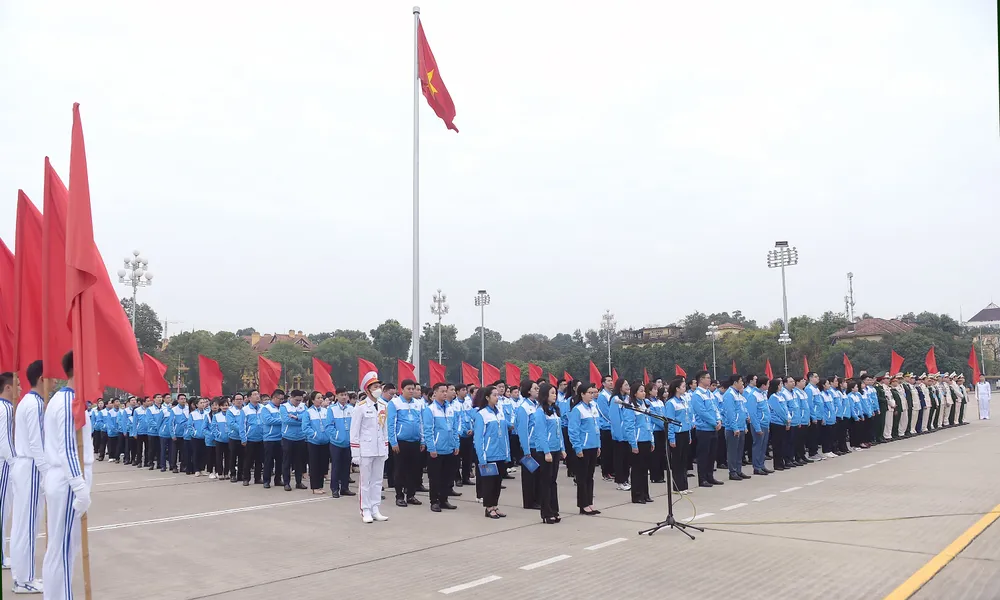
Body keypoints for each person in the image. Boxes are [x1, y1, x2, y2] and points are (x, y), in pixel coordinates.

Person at [41, 351, 93, 600]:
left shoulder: (71, 399)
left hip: (67, 479)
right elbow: (68, 448)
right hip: (67, 481)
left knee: (65, 549)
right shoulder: (66, 402)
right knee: (61, 549)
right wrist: (80, 487)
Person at [10, 361, 45, 593]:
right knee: (28, 525)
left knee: (22, 524)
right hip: (31, 465)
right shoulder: (35, 404)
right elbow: (36, 442)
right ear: (42, 379)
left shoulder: (27, 402)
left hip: (25, 465)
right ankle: (25, 580)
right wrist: (47, 471)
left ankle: (20, 575)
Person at [351, 371, 390, 523]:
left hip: (380, 448)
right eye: (375, 387)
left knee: (377, 481)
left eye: (379, 386)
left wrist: (386, 448)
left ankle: (375, 508)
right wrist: (355, 453)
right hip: (366, 449)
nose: (378, 389)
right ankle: (365, 510)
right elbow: (354, 431)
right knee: (365, 482)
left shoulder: (383, 405)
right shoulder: (360, 407)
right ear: (367, 390)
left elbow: (384, 429)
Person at [473, 385, 510, 519]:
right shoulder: (482, 414)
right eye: (494, 395)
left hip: (500, 453)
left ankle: (495, 505)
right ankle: (488, 507)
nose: (497, 397)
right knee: (489, 483)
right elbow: (478, 438)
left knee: (497, 483)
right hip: (489, 455)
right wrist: (482, 457)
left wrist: (507, 453)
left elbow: (505, 435)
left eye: (497, 395)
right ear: (487, 397)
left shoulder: (500, 412)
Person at [422, 383, 459, 512]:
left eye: (445, 391)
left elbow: (454, 428)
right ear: (435, 393)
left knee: (447, 477)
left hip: (449, 448)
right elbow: (428, 430)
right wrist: (432, 448)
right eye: (442, 391)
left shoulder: (450, 409)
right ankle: (434, 501)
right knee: (435, 478)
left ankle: (444, 500)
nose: (444, 393)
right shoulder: (430, 409)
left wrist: (456, 444)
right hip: (436, 449)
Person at [387, 379, 423, 508]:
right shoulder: (394, 403)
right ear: (402, 390)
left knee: (413, 470)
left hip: (415, 441)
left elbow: (421, 423)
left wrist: (422, 440)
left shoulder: (418, 404)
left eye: (413, 389)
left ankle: (411, 495)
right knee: (400, 470)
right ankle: (399, 496)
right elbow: (391, 424)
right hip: (401, 442)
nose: (411, 391)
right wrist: (393, 441)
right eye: (409, 389)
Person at [531, 382, 564, 523]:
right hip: (546, 451)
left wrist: (562, 448)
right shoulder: (540, 412)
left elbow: (559, 431)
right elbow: (541, 433)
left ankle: (554, 510)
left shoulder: (555, 410)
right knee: (545, 482)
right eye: (552, 393)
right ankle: (546, 513)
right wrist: (546, 451)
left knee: (553, 481)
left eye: (555, 393)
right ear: (545, 395)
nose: (555, 395)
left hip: (556, 449)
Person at [621, 381, 653, 504]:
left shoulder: (645, 405)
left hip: (646, 439)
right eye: (641, 391)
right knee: (637, 469)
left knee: (645, 469)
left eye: (644, 391)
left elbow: (649, 423)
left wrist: (652, 440)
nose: (644, 393)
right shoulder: (631, 407)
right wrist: (633, 444)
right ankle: (637, 495)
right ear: (634, 393)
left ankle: (645, 493)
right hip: (637, 441)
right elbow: (629, 426)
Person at [691, 371, 724, 488]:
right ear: (701, 379)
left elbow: (715, 408)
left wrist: (719, 420)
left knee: (712, 454)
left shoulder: (710, 393)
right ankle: (703, 478)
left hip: (713, 428)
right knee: (703, 455)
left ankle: (710, 476)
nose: (710, 380)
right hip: (703, 429)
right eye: (708, 378)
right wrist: (713, 422)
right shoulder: (697, 395)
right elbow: (701, 412)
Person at [663, 377, 692, 494]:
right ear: (677, 388)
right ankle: (677, 487)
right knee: (677, 461)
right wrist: (671, 438)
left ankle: (684, 485)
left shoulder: (683, 401)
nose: (685, 388)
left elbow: (687, 419)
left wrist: (689, 434)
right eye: (683, 386)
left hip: (685, 432)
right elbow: (669, 422)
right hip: (677, 434)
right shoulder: (671, 403)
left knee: (684, 461)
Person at [325, 387, 355, 497]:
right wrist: (336, 436)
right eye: (341, 395)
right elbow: (329, 426)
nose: (344, 397)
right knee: (336, 466)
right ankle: (334, 489)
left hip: (349, 443)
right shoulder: (331, 409)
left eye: (345, 395)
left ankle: (345, 488)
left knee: (346, 466)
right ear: (336, 396)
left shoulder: (351, 408)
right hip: (336, 443)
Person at [516, 380, 541, 508]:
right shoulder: (524, 407)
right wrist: (526, 450)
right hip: (529, 446)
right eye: (535, 388)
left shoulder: (538, 405)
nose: (538, 390)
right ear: (528, 391)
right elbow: (522, 430)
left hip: (538, 445)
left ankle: (538, 499)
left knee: (538, 475)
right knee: (529, 475)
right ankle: (529, 501)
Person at [722, 374, 750, 481]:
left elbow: (742, 411)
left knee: (739, 451)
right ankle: (732, 472)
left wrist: (744, 425)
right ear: (735, 383)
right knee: (732, 451)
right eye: (741, 381)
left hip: (741, 426)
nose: (742, 383)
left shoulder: (738, 394)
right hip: (733, 428)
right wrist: (734, 427)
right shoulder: (729, 394)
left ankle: (738, 470)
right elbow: (730, 413)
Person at [0, 372, 15, 572]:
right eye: (17, 385)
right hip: (3, 463)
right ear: (8, 387)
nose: (19, 389)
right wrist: (14, 462)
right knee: (3, 511)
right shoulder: (5, 409)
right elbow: (5, 441)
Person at [280, 390, 308, 491]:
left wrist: (296, 417)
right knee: (287, 461)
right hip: (288, 437)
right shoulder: (284, 407)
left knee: (299, 461)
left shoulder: (303, 406)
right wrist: (300, 420)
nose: (298, 402)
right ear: (291, 397)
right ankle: (286, 483)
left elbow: (306, 418)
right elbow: (286, 420)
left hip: (300, 437)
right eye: (296, 400)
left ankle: (299, 482)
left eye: (300, 400)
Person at [608, 378, 631, 492]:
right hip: (619, 436)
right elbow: (615, 419)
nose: (628, 387)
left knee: (626, 459)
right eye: (625, 385)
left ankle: (626, 479)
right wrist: (619, 435)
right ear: (620, 386)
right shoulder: (615, 400)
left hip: (628, 434)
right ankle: (620, 481)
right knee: (619, 459)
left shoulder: (627, 398)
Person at [747, 375, 772, 475]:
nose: (769, 386)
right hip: (759, 424)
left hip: (765, 424)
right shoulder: (753, 395)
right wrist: (757, 428)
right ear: (763, 385)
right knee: (758, 446)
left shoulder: (763, 394)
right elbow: (752, 413)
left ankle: (761, 465)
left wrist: (768, 425)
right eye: (768, 384)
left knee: (763, 446)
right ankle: (757, 467)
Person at [260, 390, 284, 488]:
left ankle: (278, 479)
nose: (281, 401)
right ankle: (266, 480)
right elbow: (268, 420)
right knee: (268, 460)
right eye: (280, 399)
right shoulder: (266, 408)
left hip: (281, 437)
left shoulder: (283, 408)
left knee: (280, 460)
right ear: (274, 397)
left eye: (283, 399)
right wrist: (283, 420)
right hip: (269, 438)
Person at [241, 391, 264, 485]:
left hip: (261, 437)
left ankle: (257, 478)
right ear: (249, 398)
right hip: (250, 438)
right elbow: (242, 425)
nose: (257, 396)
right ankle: (246, 478)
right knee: (248, 460)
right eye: (254, 395)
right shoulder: (245, 409)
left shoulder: (263, 408)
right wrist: (243, 438)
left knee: (259, 460)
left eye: (258, 394)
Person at [595, 374, 615, 482]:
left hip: (612, 427)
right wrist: (613, 420)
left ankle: (612, 471)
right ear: (603, 383)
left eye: (611, 380)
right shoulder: (602, 395)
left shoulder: (612, 394)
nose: (611, 382)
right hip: (606, 427)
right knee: (606, 451)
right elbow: (605, 412)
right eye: (608, 381)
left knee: (612, 451)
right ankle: (606, 472)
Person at [647, 386, 667, 484]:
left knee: (661, 453)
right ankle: (655, 476)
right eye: (654, 389)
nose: (656, 391)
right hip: (655, 430)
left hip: (662, 430)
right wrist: (663, 424)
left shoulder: (660, 402)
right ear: (649, 391)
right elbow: (653, 417)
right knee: (655, 454)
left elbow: (664, 414)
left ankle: (661, 475)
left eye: (656, 389)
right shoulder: (648, 402)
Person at [226, 394, 245, 481]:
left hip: (244, 437)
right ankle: (233, 474)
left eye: (241, 399)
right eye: (237, 399)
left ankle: (240, 474)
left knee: (242, 457)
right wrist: (242, 430)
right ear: (233, 401)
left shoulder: (245, 410)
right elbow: (231, 424)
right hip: (234, 437)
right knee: (232, 457)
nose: (239, 401)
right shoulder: (230, 411)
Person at [189, 397, 210, 477]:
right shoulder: (193, 414)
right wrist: (194, 433)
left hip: (205, 437)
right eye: (201, 403)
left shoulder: (207, 413)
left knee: (204, 453)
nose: (203, 404)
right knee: (196, 453)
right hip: (196, 437)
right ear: (196, 405)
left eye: (204, 402)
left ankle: (202, 468)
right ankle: (196, 469)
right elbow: (190, 426)